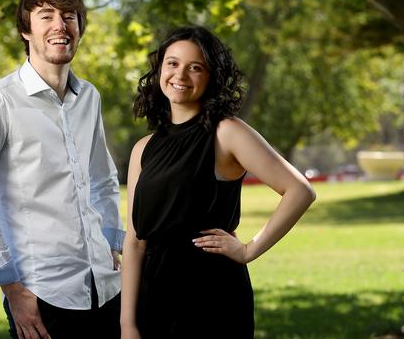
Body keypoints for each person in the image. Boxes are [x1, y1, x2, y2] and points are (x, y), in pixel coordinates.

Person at [120, 26, 317, 339]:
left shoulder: (226, 132)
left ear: (211, 76)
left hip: (211, 293)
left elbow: (299, 191)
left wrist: (248, 250)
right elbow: (134, 241)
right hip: (153, 294)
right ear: (159, 71)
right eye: (172, 64)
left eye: (195, 67)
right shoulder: (143, 148)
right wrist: (127, 324)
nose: (180, 75)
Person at [0, 0, 123, 339]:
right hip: (42, 293)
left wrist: (111, 242)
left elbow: (103, 179)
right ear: (25, 30)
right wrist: (12, 289)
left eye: (69, 16)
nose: (60, 25)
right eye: (46, 16)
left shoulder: (89, 96)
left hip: (106, 287)